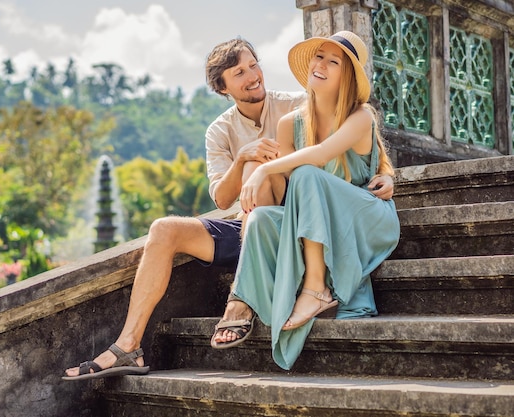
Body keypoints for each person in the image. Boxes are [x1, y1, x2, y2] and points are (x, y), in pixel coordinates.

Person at [62, 38, 308, 380]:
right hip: (247, 226)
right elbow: (222, 199)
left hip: (295, 225)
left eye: (254, 65)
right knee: (164, 229)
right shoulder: (220, 130)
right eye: (239, 72)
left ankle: (241, 300)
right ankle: (127, 346)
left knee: (257, 169)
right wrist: (241, 156)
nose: (253, 76)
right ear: (223, 87)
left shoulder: (296, 104)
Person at [210, 31, 401, 372]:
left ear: (348, 75)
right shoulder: (290, 123)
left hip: (364, 215)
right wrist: (259, 172)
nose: (322, 65)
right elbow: (285, 195)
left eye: (334, 61)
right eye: (319, 57)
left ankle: (316, 288)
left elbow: (325, 155)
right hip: (319, 220)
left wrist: (261, 171)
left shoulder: (361, 116)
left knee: (307, 173)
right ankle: (251, 300)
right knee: (261, 219)